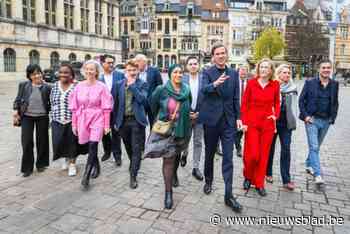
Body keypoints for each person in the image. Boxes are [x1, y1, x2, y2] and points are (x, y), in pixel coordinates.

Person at [198, 44, 243, 213]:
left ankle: (228, 195)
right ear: (213, 56)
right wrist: (215, 83)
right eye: (218, 54)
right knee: (209, 153)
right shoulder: (207, 72)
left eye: (223, 53)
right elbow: (204, 90)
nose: (221, 56)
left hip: (228, 121)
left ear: (227, 54)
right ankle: (208, 181)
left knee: (228, 158)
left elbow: (236, 97)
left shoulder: (233, 73)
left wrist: (239, 117)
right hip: (211, 120)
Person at [150, 64, 191, 209]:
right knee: (168, 160)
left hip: (183, 129)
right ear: (170, 74)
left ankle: (174, 174)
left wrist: (191, 115)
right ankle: (168, 192)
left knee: (177, 156)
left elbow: (189, 105)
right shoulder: (161, 90)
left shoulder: (186, 89)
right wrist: (162, 118)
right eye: (175, 72)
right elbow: (152, 105)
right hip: (167, 131)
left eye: (181, 72)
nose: (178, 75)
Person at [69, 60, 113, 189]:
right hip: (83, 117)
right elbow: (74, 108)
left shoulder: (102, 87)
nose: (89, 71)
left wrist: (106, 125)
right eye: (87, 69)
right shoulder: (78, 86)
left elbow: (106, 108)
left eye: (92, 69)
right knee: (89, 145)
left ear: (96, 71)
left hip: (97, 117)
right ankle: (96, 166)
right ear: (84, 71)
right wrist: (74, 124)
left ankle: (86, 176)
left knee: (93, 144)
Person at [241, 58, 280, 197]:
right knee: (252, 155)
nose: (263, 69)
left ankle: (259, 183)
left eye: (266, 67)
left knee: (263, 156)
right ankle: (248, 176)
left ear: (271, 70)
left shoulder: (275, 84)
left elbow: (277, 103)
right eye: (261, 67)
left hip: (267, 124)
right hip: (252, 123)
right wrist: (244, 122)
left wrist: (276, 116)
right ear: (258, 69)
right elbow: (244, 104)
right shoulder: (251, 83)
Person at [299, 59, 339, 185]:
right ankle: (318, 174)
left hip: (326, 121)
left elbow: (335, 102)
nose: (326, 70)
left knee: (316, 146)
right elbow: (301, 101)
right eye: (324, 68)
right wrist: (306, 116)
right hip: (312, 120)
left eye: (328, 67)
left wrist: (333, 117)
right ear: (319, 70)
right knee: (314, 146)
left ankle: (308, 163)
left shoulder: (334, 84)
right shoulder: (310, 83)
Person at [111, 60, 148, 189]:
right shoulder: (118, 85)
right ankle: (134, 163)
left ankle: (133, 175)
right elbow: (114, 105)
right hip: (122, 121)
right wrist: (115, 122)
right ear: (125, 71)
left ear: (138, 71)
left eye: (134, 70)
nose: (132, 73)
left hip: (136, 121)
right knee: (128, 148)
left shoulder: (142, 84)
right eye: (129, 70)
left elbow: (143, 100)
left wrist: (133, 86)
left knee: (137, 148)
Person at [13, 64, 51, 177]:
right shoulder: (23, 85)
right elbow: (18, 100)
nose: (37, 76)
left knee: (42, 141)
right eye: (33, 74)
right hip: (27, 117)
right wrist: (15, 111)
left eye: (39, 73)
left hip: (42, 117)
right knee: (27, 141)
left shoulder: (48, 87)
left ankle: (41, 164)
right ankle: (27, 168)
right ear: (29, 76)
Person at [266, 64, 298, 190]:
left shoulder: (293, 87)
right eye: (284, 72)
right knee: (270, 148)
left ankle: (286, 179)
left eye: (288, 73)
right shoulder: (273, 86)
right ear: (278, 74)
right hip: (273, 122)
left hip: (286, 124)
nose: (287, 75)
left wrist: (294, 121)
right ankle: (268, 172)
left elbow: (295, 106)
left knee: (286, 149)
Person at [50, 63, 78, 177]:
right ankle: (66, 159)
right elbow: (51, 102)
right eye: (61, 72)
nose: (63, 74)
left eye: (66, 72)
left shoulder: (76, 87)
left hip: (72, 120)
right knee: (58, 142)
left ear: (71, 75)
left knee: (72, 143)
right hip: (57, 120)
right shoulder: (54, 86)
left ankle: (72, 164)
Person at [181, 56, 204, 180]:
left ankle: (196, 167)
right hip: (186, 116)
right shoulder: (182, 79)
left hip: (200, 116)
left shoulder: (204, 79)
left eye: (195, 63)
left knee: (198, 141)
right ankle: (184, 154)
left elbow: (207, 98)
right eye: (191, 64)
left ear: (198, 65)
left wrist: (200, 112)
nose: (193, 65)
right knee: (185, 139)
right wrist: (186, 112)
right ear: (187, 66)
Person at [99, 54, 124, 166]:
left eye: (112, 62)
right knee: (104, 133)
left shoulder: (120, 75)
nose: (111, 65)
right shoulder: (99, 78)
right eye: (108, 63)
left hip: (116, 109)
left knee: (116, 133)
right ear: (102, 64)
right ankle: (107, 151)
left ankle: (117, 155)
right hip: (103, 111)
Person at [134, 54, 163, 150]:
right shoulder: (135, 72)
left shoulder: (154, 71)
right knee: (140, 125)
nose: (136, 63)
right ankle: (141, 146)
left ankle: (151, 144)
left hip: (152, 103)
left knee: (153, 124)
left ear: (144, 62)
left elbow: (160, 86)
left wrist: (158, 100)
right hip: (140, 103)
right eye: (136, 61)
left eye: (138, 61)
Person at [235, 65, 250, 158]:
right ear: (238, 71)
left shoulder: (250, 82)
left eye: (245, 70)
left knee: (247, 131)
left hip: (248, 111)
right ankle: (238, 148)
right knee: (237, 131)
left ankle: (247, 149)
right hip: (237, 109)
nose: (243, 72)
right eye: (241, 70)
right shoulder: (235, 82)